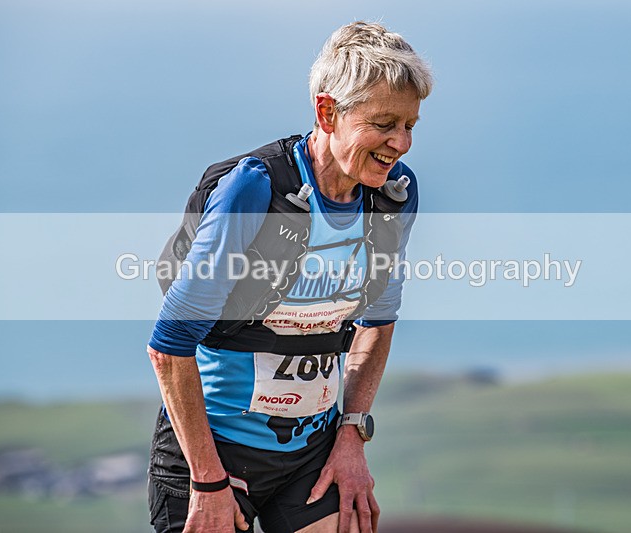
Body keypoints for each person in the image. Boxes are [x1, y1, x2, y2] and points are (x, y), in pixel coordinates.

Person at [146, 21, 432, 533]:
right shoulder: (254, 190)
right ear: (327, 113)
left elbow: (378, 322)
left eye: (410, 124)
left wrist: (351, 436)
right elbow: (169, 348)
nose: (402, 143)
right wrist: (207, 481)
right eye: (384, 123)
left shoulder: (393, 196)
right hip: (213, 452)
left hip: (312, 455)